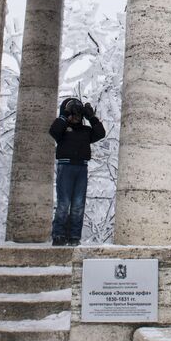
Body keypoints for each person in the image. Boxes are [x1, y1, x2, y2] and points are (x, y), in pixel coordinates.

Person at [48, 97, 105, 246]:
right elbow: (53, 131)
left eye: (78, 114)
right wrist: (64, 115)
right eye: (74, 114)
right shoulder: (62, 130)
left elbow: (100, 133)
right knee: (63, 203)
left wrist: (91, 117)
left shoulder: (86, 131)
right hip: (65, 167)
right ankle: (58, 235)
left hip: (81, 167)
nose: (76, 117)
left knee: (78, 204)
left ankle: (74, 236)